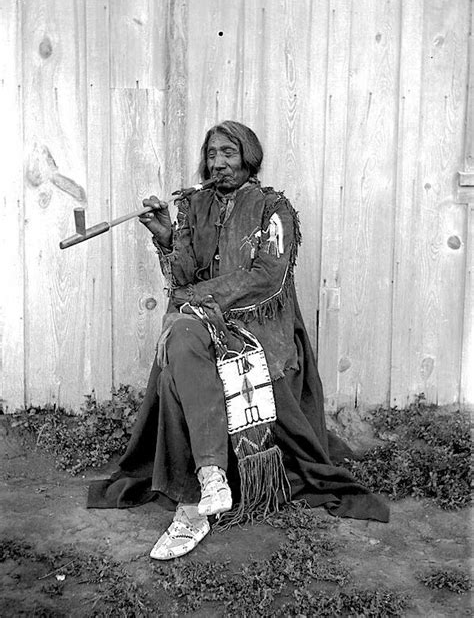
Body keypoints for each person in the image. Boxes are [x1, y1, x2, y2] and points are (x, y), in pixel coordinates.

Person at [87, 121, 389, 560]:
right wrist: (168, 235)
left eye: (228, 153)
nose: (218, 164)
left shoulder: (274, 209)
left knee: (182, 345)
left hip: (258, 326)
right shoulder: (193, 206)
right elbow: (185, 277)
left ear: (249, 157)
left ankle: (194, 493)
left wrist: (199, 298)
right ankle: (212, 475)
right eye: (212, 155)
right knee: (182, 339)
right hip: (203, 320)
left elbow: (267, 278)